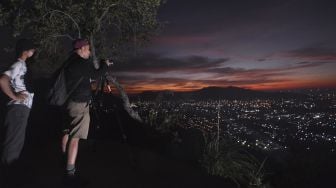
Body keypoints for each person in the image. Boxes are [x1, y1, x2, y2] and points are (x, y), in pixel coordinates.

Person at [61, 38, 111, 183]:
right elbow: (97, 74)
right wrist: (105, 64)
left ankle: (64, 157)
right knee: (75, 138)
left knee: (67, 131)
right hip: (79, 104)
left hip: (69, 102)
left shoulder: (70, 62)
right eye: (88, 49)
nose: (89, 52)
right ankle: (70, 173)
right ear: (82, 49)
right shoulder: (80, 63)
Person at [0, 39, 36, 186]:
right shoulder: (19, 64)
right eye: (32, 49)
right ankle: (7, 178)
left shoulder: (22, 65)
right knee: (13, 145)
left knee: (15, 143)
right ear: (26, 50)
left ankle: (9, 176)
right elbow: (3, 80)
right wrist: (15, 96)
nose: (34, 52)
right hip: (18, 110)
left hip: (20, 110)